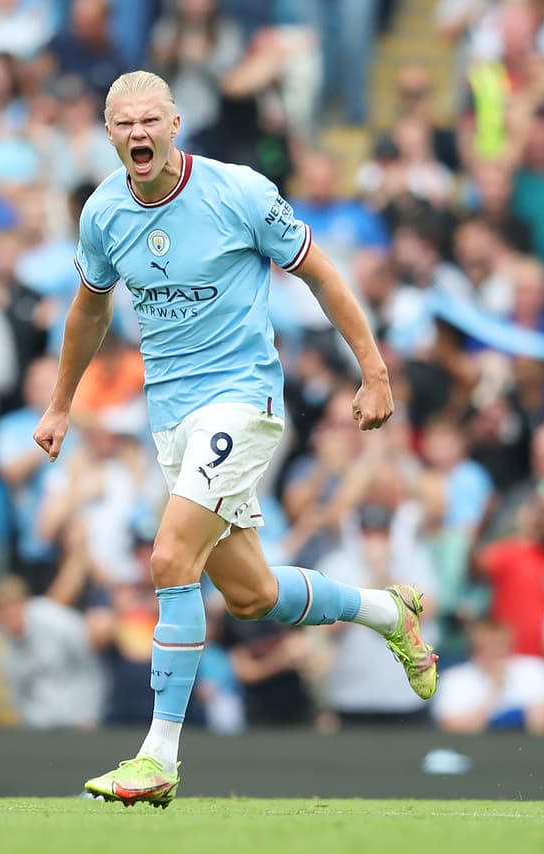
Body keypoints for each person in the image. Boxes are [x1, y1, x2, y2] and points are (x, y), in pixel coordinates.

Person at [33, 71, 436, 808]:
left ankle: (158, 757)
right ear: (109, 133)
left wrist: (374, 372)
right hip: (172, 420)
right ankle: (388, 611)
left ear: (176, 122)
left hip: (241, 403)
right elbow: (88, 310)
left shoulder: (238, 192)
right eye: (125, 124)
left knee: (168, 557)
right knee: (251, 595)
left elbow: (322, 274)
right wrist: (62, 404)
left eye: (151, 120)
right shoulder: (103, 213)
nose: (139, 134)